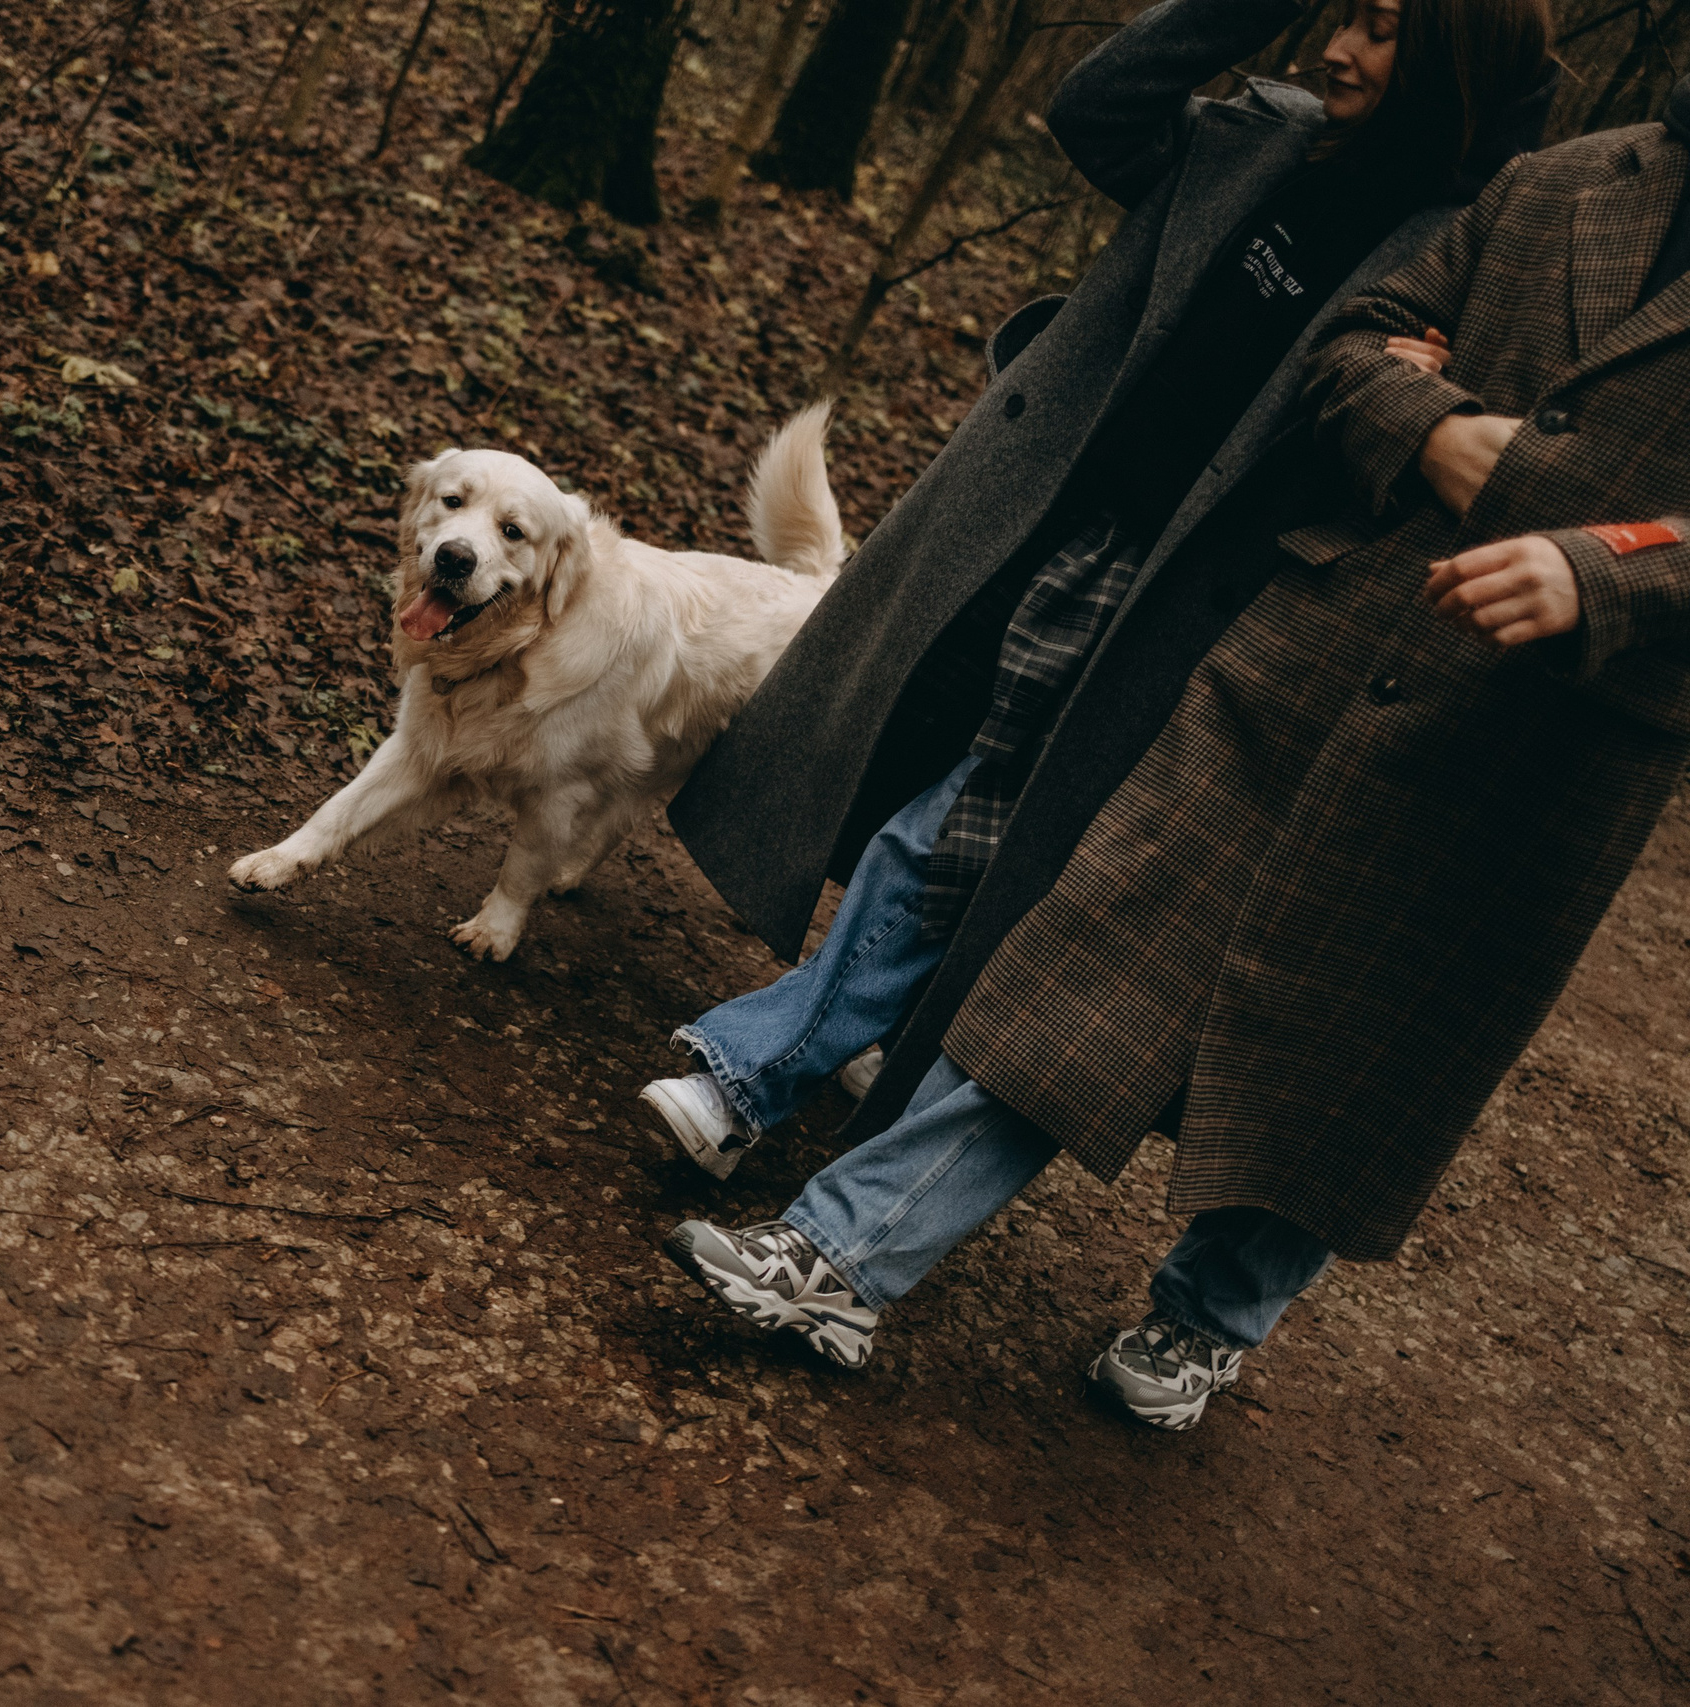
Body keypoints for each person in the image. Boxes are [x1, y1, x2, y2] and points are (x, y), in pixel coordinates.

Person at [661, 69, 1690, 1430]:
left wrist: (1612, 576)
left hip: (1539, 762)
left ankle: (1211, 1317)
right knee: (1097, 956)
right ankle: (841, 1258)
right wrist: (1431, 424)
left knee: (1349, 1066)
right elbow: (1362, 336)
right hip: (1319, 652)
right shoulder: (1569, 179)